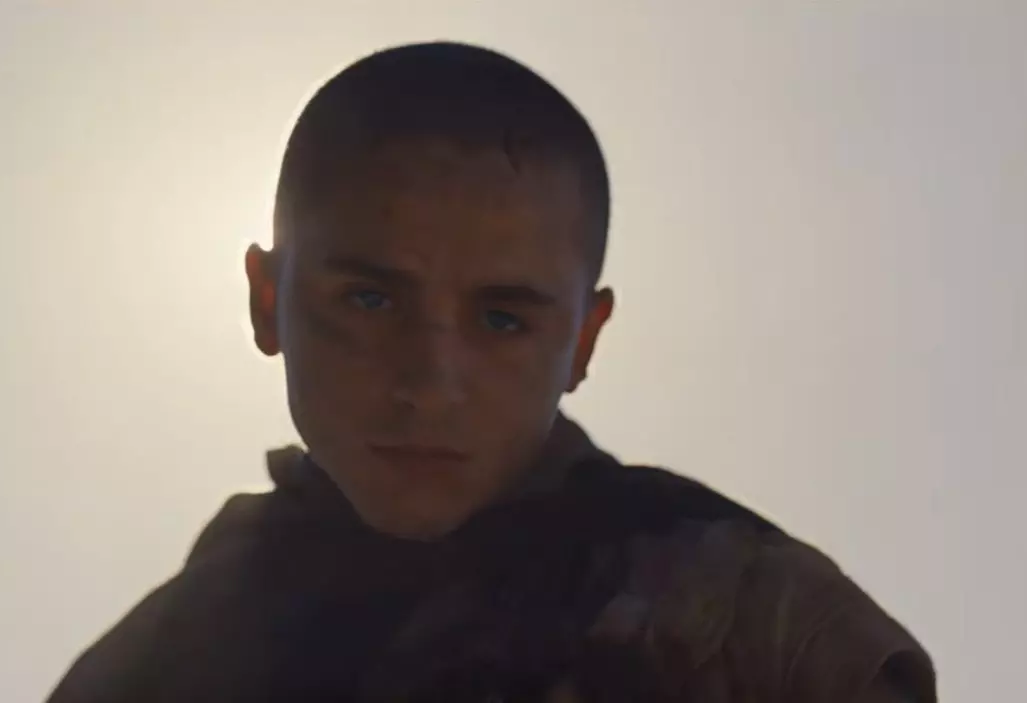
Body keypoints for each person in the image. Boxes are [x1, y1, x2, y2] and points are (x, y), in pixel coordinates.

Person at [46, 41, 936, 702]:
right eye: (369, 300)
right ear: (267, 300)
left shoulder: (735, 612)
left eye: (502, 318)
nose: (430, 385)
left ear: (582, 343)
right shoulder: (166, 656)